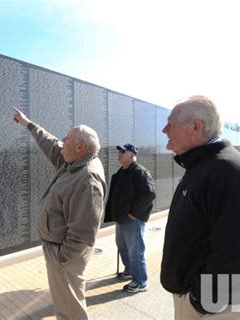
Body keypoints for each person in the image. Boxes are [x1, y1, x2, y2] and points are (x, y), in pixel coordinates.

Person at [160, 96, 240, 319]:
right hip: (201, 299)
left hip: (213, 307)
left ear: (195, 127)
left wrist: (200, 303)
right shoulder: (204, 166)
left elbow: (238, 255)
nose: (164, 130)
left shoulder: (231, 174)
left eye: (171, 124)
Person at [13, 107, 106, 320]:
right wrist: (29, 124)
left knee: (69, 307)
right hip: (60, 250)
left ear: (80, 147)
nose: (62, 140)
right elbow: (52, 144)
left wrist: (61, 258)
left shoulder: (86, 179)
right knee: (65, 301)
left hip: (65, 256)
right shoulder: (74, 161)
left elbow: (83, 233)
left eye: (68, 138)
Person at [103, 143, 156, 293]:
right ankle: (130, 270)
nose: (119, 153)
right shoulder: (122, 172)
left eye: (123, 151)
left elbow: (149, 194)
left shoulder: (140, 172)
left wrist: (134, 213)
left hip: (133, 219)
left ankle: (140, 282)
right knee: (122, 246)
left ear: (132, 154)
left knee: (135, 251)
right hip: (121, 219)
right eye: (119, 151)